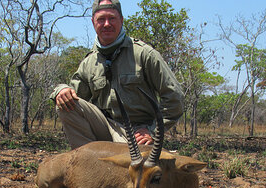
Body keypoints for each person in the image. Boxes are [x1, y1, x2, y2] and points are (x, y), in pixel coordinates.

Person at [50, 0, 184, 149]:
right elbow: (74, 94)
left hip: (136, 133)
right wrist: (60, 90)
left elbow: (174, 97)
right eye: (101, 19)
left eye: (112, 18)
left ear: (121, 20)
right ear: (93, 22)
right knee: (66, 104)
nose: (106, 24)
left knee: (135, 167)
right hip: (103, 127)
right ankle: (87, 160)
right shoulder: (88, 62)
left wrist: (153, 131)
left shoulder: (144, 54)